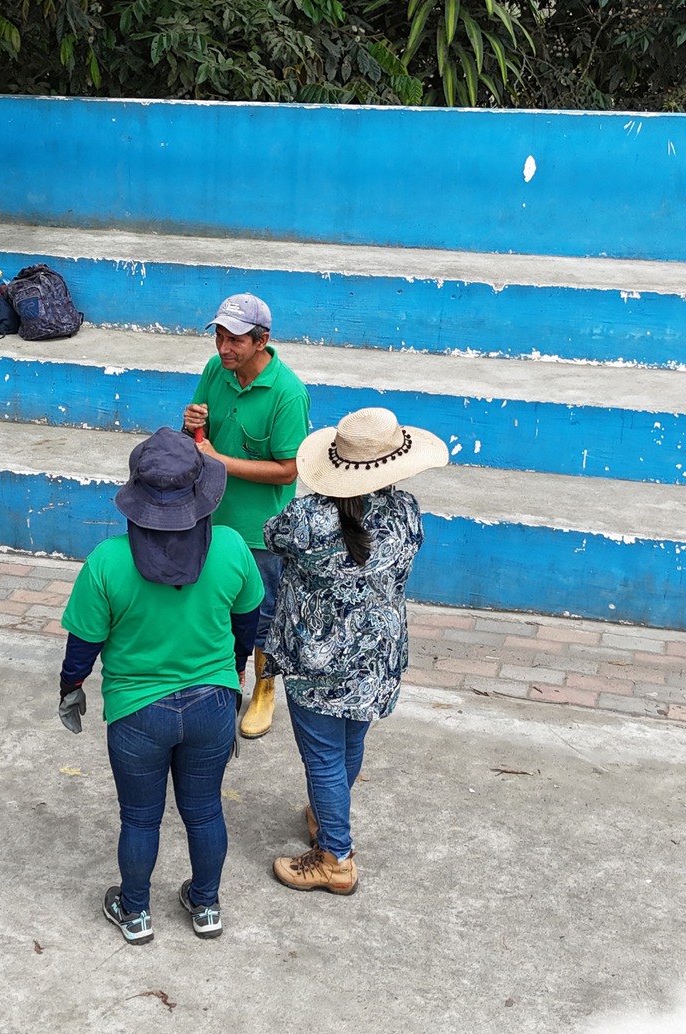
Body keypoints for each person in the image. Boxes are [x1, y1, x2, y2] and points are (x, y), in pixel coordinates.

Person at [58, 428, 264, 943]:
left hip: (136, 714)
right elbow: (247, 624)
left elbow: (83, 645)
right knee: (205, 809)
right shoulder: (233, 548)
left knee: (140, 818)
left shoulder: (106, 561)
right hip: (213, 704)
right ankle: (206, 905)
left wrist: (71, 687)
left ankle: (135, 912)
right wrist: (235, 673)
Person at [263, 407, 446, 895]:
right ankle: (328, 816)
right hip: (376, 657)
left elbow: (270, 536)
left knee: (323, 756)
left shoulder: (306, 519)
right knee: (348, 744)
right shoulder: (405, 511)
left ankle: (336, 859)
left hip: (317, 660)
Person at [180, 293, 310, 741]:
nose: (223, 348)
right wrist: (192, 423)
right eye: (219, 337)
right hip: (210, 514)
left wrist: (221, 461)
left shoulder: (288, 393)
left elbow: (289, 469)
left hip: (261, 531)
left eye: (234, 340)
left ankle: (264, 689)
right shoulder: (216, 370)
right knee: (209, 599)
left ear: (261, 340)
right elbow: (199, 440)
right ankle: (216, 674)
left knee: (262, 614)